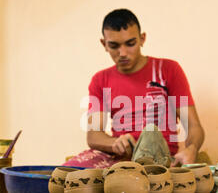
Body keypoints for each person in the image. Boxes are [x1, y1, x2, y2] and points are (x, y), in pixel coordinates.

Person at [63, 9, 204, 168]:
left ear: (142, 39)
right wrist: (114, 143)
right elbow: (93, 136)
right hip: (122, 157)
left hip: (159, 156)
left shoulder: (168, 70)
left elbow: (193, 125)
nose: (123, 53)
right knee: (68, 175)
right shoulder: (100, 80)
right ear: (104, 44)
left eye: (130, 44)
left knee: (151, 136)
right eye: (114, 45)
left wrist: (191, 149)